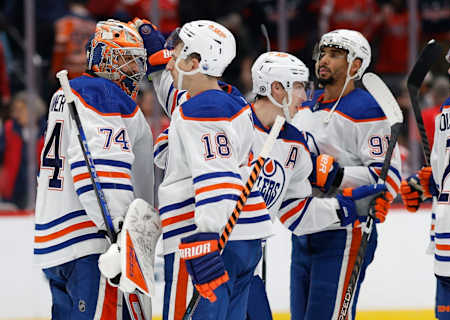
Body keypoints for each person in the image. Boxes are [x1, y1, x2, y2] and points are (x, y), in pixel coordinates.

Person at [136, 19, 275, 320]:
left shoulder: (202, 110)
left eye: (177, 52)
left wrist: (207, 238)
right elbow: (178, 96)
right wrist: (158, 56)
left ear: (195, 62)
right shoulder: (224, 98)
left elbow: (218, 177)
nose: (170, 58)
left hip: (202, 237)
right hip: (241, 238)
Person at [34, 19, 154, 319]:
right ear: (106, 58)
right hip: (94, 245)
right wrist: (121, 239)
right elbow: (104, 172)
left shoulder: (64, 94)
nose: (135, 71)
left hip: (57, 243)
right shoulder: (104, 95)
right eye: (128, 60)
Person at [291, 29, 402, 320]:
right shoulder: (304, 105)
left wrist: (340, 176)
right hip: (304, 226)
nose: (323, 60)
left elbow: (389, 177)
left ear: (355, 65)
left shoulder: (366, 109)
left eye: (335, 54)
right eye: (323, 53)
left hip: (345, 231)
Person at [400, 21, 450, 319]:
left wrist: (427, 184)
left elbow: (445, 173)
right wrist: (429, 183)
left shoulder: (448, 109)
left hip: (449, 251)